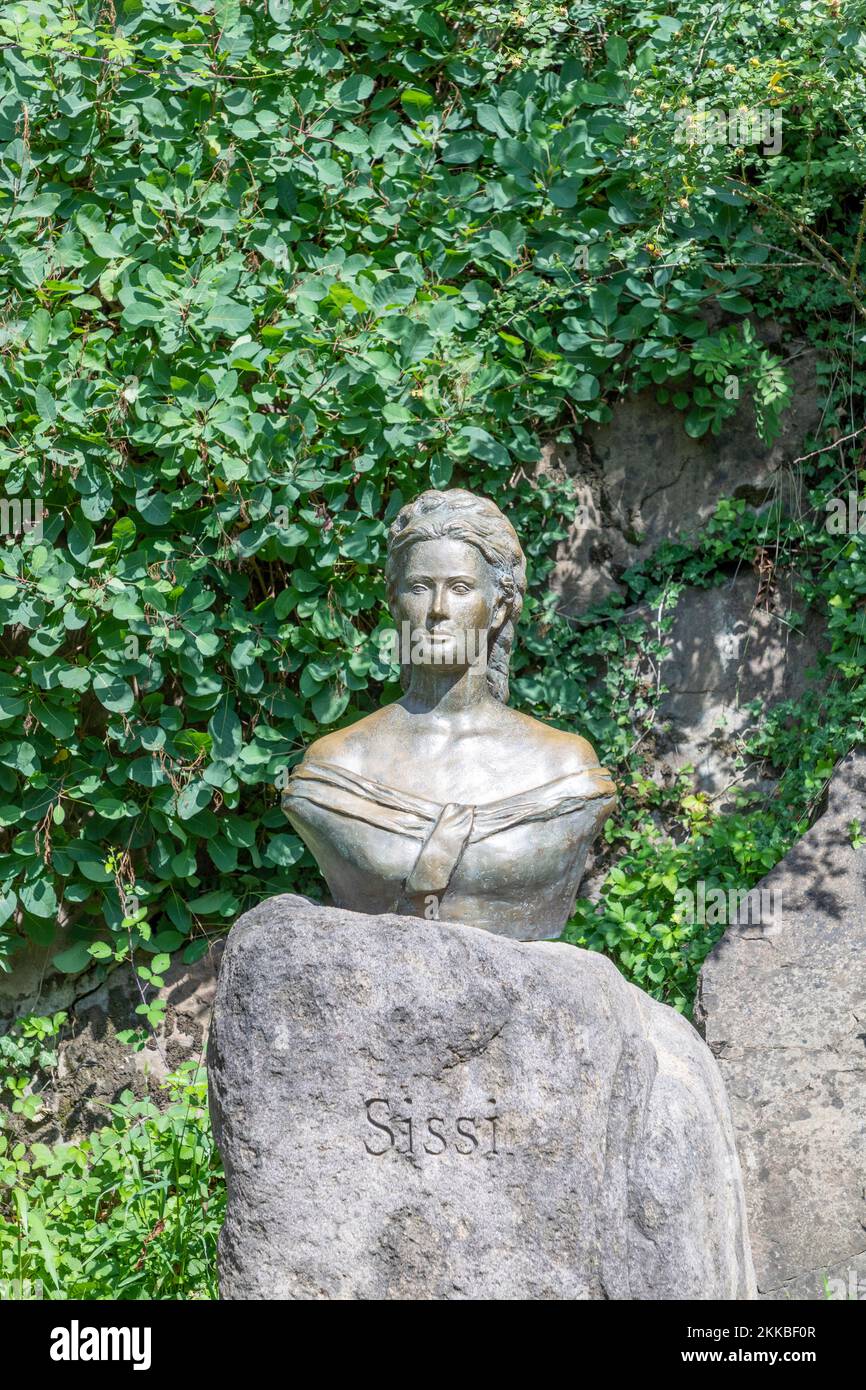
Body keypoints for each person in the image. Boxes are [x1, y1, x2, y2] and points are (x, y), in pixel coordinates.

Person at [283, 488, 615, 939]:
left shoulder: (563, 767)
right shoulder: (338, 766)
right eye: (419, 587)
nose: (438, 611)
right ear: (395, 601)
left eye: (460, 588)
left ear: (499, 605)